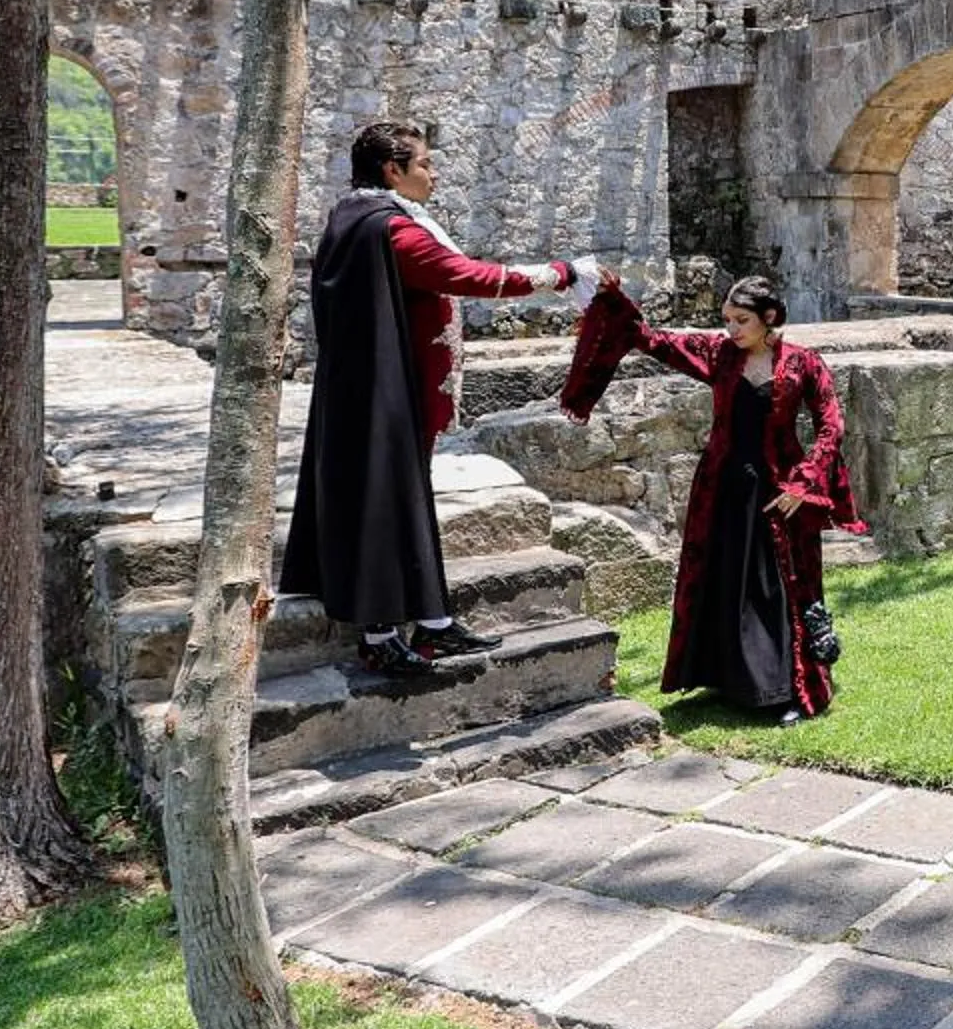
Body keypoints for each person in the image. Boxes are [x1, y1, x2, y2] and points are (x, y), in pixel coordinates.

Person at [281, 119, 588, 676]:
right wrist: (559, 274)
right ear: (392, 170)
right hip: (383, 397)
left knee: (404, 501)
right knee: (385, 506)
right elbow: (462, 274)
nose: (434, 171)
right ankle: (379, 635)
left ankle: (433, 622)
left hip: (375, 389)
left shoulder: (356, 218)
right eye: (424, 163)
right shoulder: (389, 230)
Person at [568, 269, 857, 722]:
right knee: (724, 581)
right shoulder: (719, 355)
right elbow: (649, 339)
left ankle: (783, 690)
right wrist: (608, 297)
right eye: (728, 319)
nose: (732, 329)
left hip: (779, 490)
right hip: (721, 487)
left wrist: (804, 482)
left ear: (769, 318)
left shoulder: (804, 363)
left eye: (742, 320)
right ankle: (728, 680)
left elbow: (830, 425)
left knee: (775, 587)